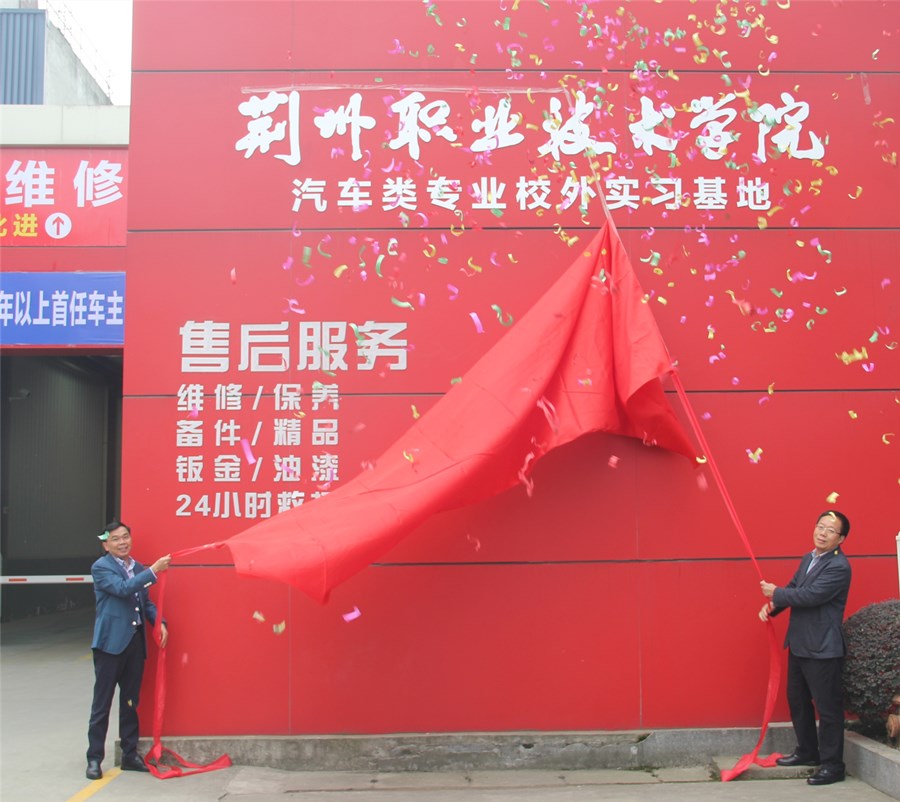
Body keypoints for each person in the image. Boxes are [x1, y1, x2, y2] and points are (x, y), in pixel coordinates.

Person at [759, 510, 852, 787]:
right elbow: (794, 587)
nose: (822, 533)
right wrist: (774, 606)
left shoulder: (839, 566)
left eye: (830, 530)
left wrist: (776, 593)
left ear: (841, 539)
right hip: (800, 644)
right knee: (798, 701)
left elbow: (812, 596)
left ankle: (833, 766)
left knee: (828, 709)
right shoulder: (808, 558)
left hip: (823, 648)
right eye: (820, 526)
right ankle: (808, 751)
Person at [85, 521, 171, 780]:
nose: (122, 542)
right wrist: (154, 571)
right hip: (110, 645)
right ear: (106, 545)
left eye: (125, 537)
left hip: (134, 644)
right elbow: (123, 590)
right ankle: (94, 758)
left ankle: (129, 755)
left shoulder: (137, 567)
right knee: (102, 704)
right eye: (115, 539)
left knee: (131, 702)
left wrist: (159, 622)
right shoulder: (101, 567)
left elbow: (145, 602)